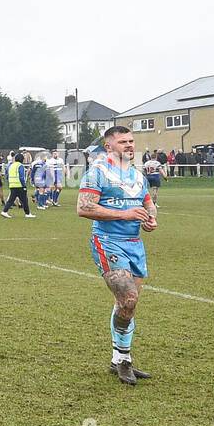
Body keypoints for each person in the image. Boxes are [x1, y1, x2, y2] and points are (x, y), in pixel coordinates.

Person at [78, 126, 156, 386]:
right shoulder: (97, 173)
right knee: (129, 298)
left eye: (132, 141)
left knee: (126, 306)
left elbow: (147, 203)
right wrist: (125, 215)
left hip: (135, 244)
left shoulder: (137, 175)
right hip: (108, 242)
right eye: (123, 142)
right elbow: (84, 207)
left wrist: (151, 218)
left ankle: (117, 358)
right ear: (109, 146)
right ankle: (124, 360)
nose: (130, 146)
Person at [0, 150, 34, 218]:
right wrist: (24, 185)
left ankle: (4, 211)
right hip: (19, 185)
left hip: (12, 185)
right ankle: (27, 214)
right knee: (24, 200)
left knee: (11, 199)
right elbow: (21, 176)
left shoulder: (11, 165)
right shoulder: (20, 165)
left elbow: (7, 174)